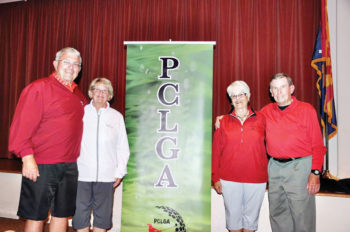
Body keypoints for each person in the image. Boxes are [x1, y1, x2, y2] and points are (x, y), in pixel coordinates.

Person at [8, 47, 87, 232]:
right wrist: (27, 158)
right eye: (66, 62)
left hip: (69, 165)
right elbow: (21, 126)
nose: (71, 67)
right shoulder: (38, 88)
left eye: (76, 64)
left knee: (62, 214)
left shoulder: (78, 95)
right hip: (41, 164)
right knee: (37, 215)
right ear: (55, 64)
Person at [261, 73, 326, 232]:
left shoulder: (306, 110)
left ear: (291, 89)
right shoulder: (266, 111)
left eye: (282, 87)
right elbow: (248, 122)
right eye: (274, 88)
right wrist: (225, 118)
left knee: (302, 216)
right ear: (270, 92)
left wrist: (315, 173)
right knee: (277, 213)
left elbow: (318, 145)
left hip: (300, 167)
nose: (279, 92)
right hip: (275, 167)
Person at [72, 77, 130, 232]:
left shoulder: (116, 117)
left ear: (109, 95)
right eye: (97, 89)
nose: (100, 93)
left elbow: (122, 146)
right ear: (91, 92)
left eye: (105, 91)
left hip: (107, 175)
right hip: (81, 174)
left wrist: (120, 171)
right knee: (80, 214)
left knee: (103, 216)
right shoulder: (80, 113)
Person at [212, 81, 268, 232]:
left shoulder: (263, 118)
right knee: (234, 222)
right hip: (229, 179)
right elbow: (216, 151)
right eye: (233, 95)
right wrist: (215, 178)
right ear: (230, 99)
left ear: (248, 96)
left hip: (256, 179)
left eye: (241, 94)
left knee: (250, 223)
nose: (237, 98)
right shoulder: (222, 122)